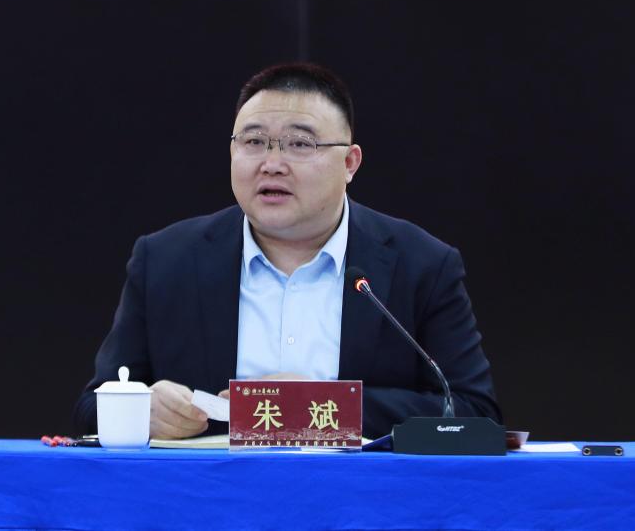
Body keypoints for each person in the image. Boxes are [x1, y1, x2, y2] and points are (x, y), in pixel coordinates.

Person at [73, 62, 500, 439]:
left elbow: (474, 414)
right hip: (213, 495)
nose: (272, 164)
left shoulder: (422, 265)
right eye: (253, 142)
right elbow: (90, 408)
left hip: (359, 498)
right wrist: (140, 410)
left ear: (349, 163)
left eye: (300, 144)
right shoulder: (166, 261)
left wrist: (325, 406)